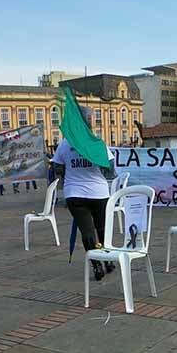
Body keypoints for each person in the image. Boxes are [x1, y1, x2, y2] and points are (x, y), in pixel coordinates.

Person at [50, 106, 116, 281]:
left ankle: (96, 265)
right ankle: (108, 260)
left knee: (86, 231)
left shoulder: (64, 144)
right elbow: (110, 170)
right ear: (88, 122)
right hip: (99, 193)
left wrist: (70, 173)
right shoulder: (96, 142)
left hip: (74, 194)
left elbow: (57, 167)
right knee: (102, 228)